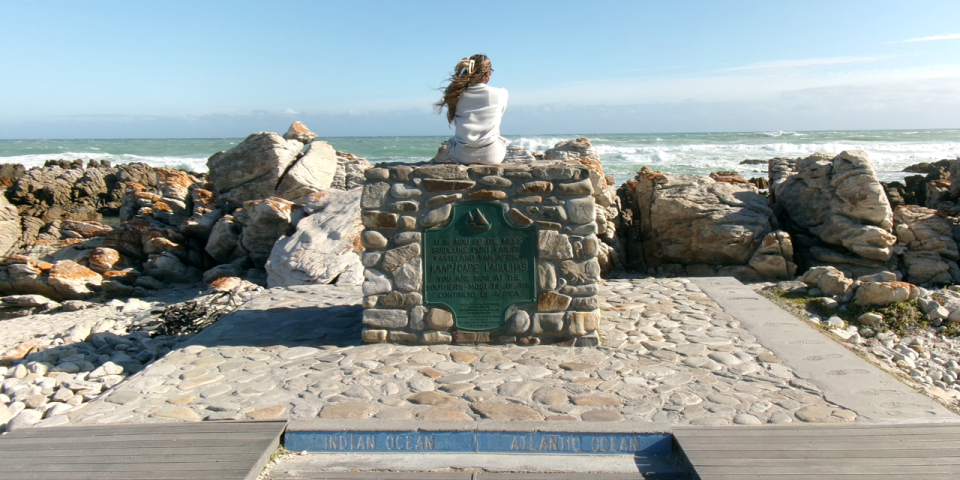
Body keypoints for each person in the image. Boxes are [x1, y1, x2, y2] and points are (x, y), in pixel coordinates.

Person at [435, 54, 508, 165]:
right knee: (500, 140)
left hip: (462, 156)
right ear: (488, 73)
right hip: (491, 155)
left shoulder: (456, 95)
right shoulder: (501, 93)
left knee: (453, 141)